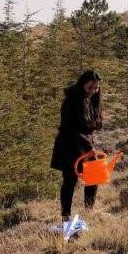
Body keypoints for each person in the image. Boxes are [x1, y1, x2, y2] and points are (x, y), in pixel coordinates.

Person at [50, 70, 103, 224]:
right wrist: (87, 147)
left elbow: (92, 126)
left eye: (96, 88)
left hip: (86, 145)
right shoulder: (71, 100)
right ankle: (66, 216)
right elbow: (69, 128)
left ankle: (89, 210)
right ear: (82, 84)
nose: (93, 91)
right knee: (69, 180)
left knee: (94, 178)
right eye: (90, 87)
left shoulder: (92, 100)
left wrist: (89, 146)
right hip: (69, 146)